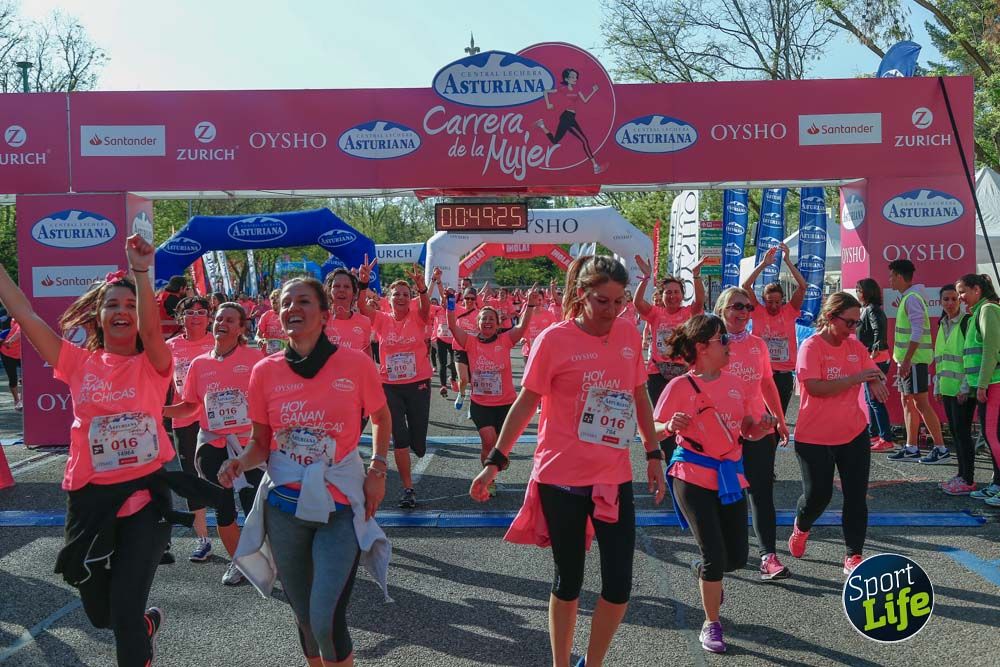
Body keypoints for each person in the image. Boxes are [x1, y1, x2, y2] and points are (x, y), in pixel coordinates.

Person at [0, 236, 221, 666]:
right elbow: (23, 313)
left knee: (122, 614)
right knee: (101, 614)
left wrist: (140, 272)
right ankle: (145, 626)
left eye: (129, 306)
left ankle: (136, 631)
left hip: (145, 500)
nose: (121, 312)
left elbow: (153, 329)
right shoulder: (77, 361)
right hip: (90, 500)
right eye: (112, 305)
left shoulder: (153, 362)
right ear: (97, 317)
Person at [471, 255, 666, 667]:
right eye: (602, 301)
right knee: (569, 580)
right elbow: (525, 404)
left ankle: (592, 663)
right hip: (562, 477)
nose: (612, 311)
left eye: (619, 301)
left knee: (618, 586)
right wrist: (495, 461)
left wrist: (652, 452)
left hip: (612, 477)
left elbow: (639, 396)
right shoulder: (554, 340)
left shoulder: (629, 334)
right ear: (581, 295)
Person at [219, 277, 392, 667]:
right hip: (284, 507)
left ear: (325, 314)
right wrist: (239, 463)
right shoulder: (265, 371)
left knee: (325, 618)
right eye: (285, 303)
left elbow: (380, 415)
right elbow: (260, 443)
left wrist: (378, 468)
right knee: (304, 618)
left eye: (303, 301)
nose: (292, 308)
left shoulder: (355, 364)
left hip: (340, 505)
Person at [654, 315, 778, 653]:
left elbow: (747, 428)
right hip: (691, 475)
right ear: (702, 347)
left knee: (735, 557)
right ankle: (712, 624)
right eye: (722, 339)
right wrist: (667, 426)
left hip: (728, 475)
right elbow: (648, 430)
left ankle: (707, 573)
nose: (729, 345)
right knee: (713, 555)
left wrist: (763, 426)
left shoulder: (737, 384)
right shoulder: (679, 387)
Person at [787, 293, 889, 575]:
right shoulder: (811, 347)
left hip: (853, 434)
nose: (853, 329)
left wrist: (877, 381)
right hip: (814, 438)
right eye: (849, 322)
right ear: (831, 317)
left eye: (857, 323)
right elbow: (816, 388)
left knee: (856, 496)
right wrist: (857, 379)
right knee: (817, 496)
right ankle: (801, 526)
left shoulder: (854, 346)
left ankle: (853, 555)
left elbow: (873, 371)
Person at [165, 303, 265, 585]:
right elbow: (189, 406)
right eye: (219, 318)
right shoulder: (200, 363)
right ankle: (240, 563)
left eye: (231, 320)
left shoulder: (255, 358)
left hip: (248, 445)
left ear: (242, 328)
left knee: (253, 504)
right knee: (223, 508)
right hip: (211, 444)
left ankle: (265, 556)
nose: (223, 323)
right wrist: (159, 409)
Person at [714, 287, 791, 581]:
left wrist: (781, 421)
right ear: (722, 309)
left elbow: (767, 384)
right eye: (737, 306)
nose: (743, 312)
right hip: (723, 430)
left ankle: (768, 556)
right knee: (726, 492)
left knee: (761, 492)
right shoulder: (710, 343)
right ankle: (721, 549)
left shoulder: (758, 344)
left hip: (758, 429)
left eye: (747, 308)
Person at [360, 264, 435, 509]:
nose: (401, 297)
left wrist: (422, 287)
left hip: (419, 383)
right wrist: (362, 285)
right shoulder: (381, 320)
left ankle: (418, 444)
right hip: (389, 385)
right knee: (398, 437)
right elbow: (362, 308)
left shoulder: (419, 316)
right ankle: (407, 488)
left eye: (405, 294)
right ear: (389, 300)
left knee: (419, 444)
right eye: (396, 294)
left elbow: (425, 306)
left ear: (410, 299)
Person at [449, 288, 538, 494]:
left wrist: (530, 305)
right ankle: (488, 480)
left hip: (506, 403)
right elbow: (452, 326)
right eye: (483, 319)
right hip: (481, 403)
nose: (487, 322)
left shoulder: (505, 340)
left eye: (491, 319)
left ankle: (498, 460)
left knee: (499, 445)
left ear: (498, 324)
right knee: (488, 441)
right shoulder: (469, 342)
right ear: (477, 323)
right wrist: (451, 302)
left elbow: (523, 326)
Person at [164, 296, 216, 562]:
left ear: (209, 316)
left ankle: (241, 538)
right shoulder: (169, 346)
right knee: (192, 478)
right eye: (189, 312)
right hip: (183, 419)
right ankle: (203, 539)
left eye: (201, 312)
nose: (195, 316)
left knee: (221, 476)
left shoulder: (219, 342)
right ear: (180, 317)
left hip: (218, 420)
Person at [886, 259, 944, 460]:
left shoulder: (912, 298)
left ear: (900, 277)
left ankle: (940, 448)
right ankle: (911, 447)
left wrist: (908, 360)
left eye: (892, 276)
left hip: (915, 361)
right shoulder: (908, 297)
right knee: (907, 401)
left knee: (920, 403)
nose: (890, 280)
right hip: (909, 361)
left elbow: (917, 331)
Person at [741, 243, 808, 415]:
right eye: (769, 301)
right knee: (760, 415)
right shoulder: (757, 311)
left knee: (779, 416)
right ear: (763, 300)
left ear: (782, 300)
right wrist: (763, 264)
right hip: (761, 372)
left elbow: (802, 287)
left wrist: (787, 261)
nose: (773, 305)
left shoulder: (789, 311)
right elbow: (745, 286)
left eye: (777, 302)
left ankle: (775, 440)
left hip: (783, 373)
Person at [632, 255, 706, 407]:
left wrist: (696, 275)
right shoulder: (655, 313)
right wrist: (645, 278)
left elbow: (699, 301)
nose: (672, 296)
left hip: (684, 370)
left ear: (682, 295)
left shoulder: (688, 313)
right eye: (668, 292)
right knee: (660, 415)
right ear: (662, 295)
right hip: (657, 370)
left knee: (682, 412)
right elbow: (637, 303)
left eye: (676, 292)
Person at [957, 274, 1000, 504]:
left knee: (993, 436)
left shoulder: (988, 311)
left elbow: (991, 349)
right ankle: (996, 483)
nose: (960, 297)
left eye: (963, 291)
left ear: (977, 289)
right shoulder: (981, 311)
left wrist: (982, 383)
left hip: (994, 383)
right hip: (988, 384)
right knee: (992, 435)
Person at [927, 285, 970, 470]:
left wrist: (965, 387)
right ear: (940, 301)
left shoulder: (966, 322)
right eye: (946, 299)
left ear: (959, 300)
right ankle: (961, 476)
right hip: (947, 389)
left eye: (954, 299)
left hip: (962, 391)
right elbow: (941, 359)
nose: (950, 303)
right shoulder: (942, 323)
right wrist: (937, 386)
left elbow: (971, 356)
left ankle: (967, 477)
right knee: (955, 433)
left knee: (962, 434)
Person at [536, 68, 606, 174]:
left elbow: (585, 100)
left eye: (576, 77)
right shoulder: (563, 88)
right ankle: (595, 166)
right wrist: (548, 104)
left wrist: (593, 91)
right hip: (567, 117)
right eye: (572, 77)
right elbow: (546, 91)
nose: (575, 78)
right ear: (566, 79)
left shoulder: (577, 90)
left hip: (570, 117)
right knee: (584, 140)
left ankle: (542, 126)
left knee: (555, 141)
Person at [855, 278, 894, 452]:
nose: (857, 292)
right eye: (857, 289)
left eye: (859, 289)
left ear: (868, 292)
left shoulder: (872, 310)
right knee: (870, 400)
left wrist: (874, 351)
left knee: (875, 400)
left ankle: (886, 438)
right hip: (870, 358)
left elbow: (879, 330)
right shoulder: (867, 309)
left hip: (877, 359)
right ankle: (875, 434)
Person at [323, 267, 372, 353]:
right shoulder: (319, 321)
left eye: (346, 287)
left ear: (354, 293)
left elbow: (367, 357)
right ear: (329, 291)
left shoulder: (364, 322)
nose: (341, 290)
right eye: (337, 286)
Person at [450, 287, 481, 413]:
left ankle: (473, 404)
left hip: (474, 350)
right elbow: (446, 303)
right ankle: (461, 394)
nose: (469, 301)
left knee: (475, 381)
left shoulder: (480, 314)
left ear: (476, 299)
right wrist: (439, 283)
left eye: (472, 299)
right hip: (459, 348)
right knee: (463, 379)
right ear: (463, 298)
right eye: (466, 298)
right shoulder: (457, 310)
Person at [431, 279, 460, 397]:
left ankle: (453, 378)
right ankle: (443, 386)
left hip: (454, 340)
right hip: (440, 339)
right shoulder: (437, 309)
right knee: (442, 364)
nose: (445, 300)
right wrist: (438, 282)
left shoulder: (456, 309)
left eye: (450, 296)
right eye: (444, 297)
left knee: (454, 363)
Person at [257, 288, 288, 355]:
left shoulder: (290, 315)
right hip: (268, 355)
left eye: (277, 302)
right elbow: (258, 335)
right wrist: (259, 340)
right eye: (272, 300)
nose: (274, 305)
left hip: (285, 354)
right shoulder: (266, 315)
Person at [0, 317, 21, 411]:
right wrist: (7, 341)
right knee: (13, 378)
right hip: (7, 353)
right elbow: (13, 332)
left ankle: (22, 400)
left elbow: (20, 332)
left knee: (26, 378)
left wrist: (10, 341)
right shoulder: (12, 320)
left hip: (21, 354)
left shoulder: (24, 319)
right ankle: (17, 400)